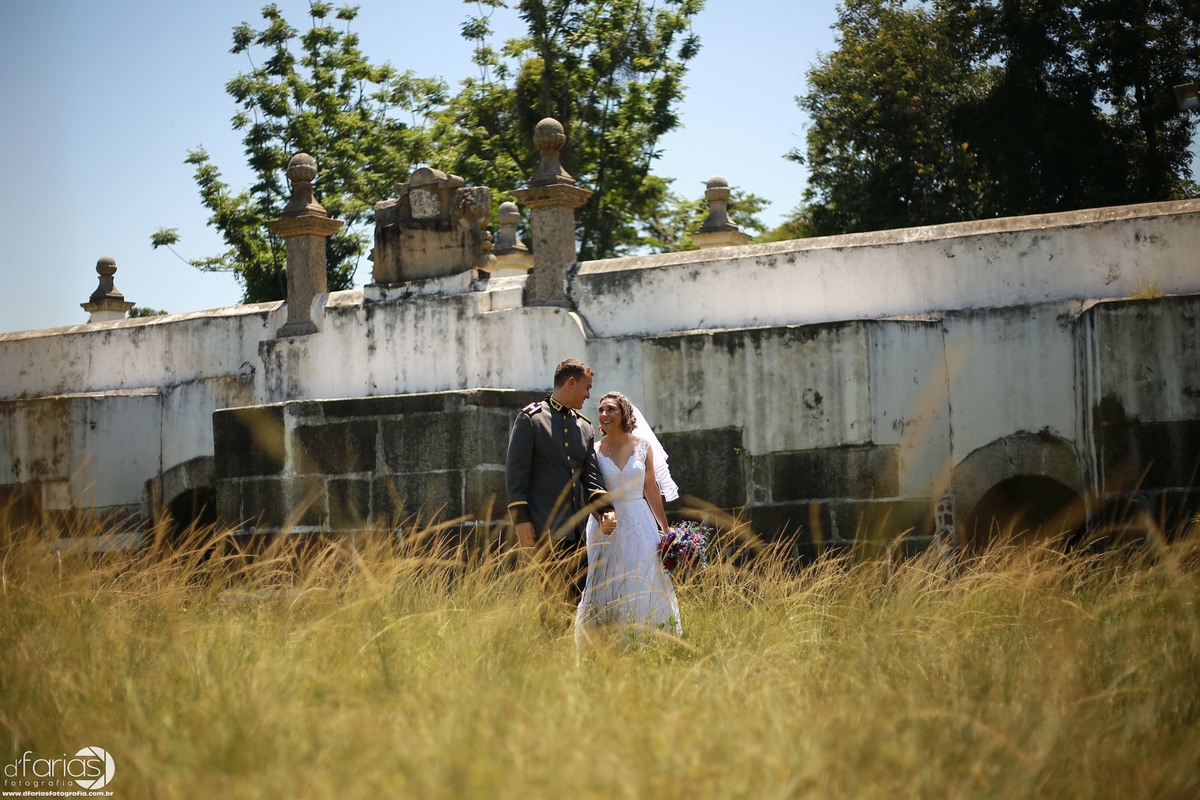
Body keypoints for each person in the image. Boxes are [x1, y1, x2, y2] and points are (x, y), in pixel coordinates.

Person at [575, 391, 682, 646]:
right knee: (604, 578)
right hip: (605, 524)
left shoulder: (642, 447)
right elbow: (589, 488)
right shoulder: (594, 449)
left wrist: (665, 529)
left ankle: (648, 639)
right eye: (601, 410)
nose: (604, 414)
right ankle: (603, 642)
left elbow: (651, 489)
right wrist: (600, 516)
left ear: (624, 413)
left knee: (643, 576)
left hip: (639, 520)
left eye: (610, 409)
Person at [505, 358, 617, 577]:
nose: (588, 395)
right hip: (542, 528)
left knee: (576, 595)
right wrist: (521, 519)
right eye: (587, 388)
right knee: (549, 600)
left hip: (577, 530)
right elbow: (515, 474)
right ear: (572, 383)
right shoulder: (531, 419)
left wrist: (605, 510)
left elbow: (591, 475)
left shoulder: (584, 426)